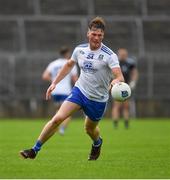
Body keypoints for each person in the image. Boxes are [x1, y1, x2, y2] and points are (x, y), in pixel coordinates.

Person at [20, 17, 124, 161]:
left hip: (98, 99)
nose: (96, 38)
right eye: (94, 34)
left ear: (103, 36)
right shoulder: (79, 50)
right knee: (58, 119)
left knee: (89, 129)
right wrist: (54, 83)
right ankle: (34, 150)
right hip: (79, 91)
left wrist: (114, 82)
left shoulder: (109, 55)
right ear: (88, 34)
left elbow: (120, 77)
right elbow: (69, 65)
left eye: (100, 35)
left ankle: (97, 143)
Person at [42, 46, 78, 135]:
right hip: (65, 91)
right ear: (67, 53)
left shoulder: (53, 64)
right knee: (67, 113)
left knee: (59, 111)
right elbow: (75, 79)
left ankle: (52, 127)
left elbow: (45, 75)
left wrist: (54, 81)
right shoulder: (70, 63)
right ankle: (61, 129)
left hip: (55, 91)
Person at [112, 48, 138, 129]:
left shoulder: (129, 63)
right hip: (117, 87)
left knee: (126, 106)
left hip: (126, 87)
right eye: (121, 54)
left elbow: (134, 73)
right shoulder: (115, 63)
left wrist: (133, 82)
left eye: (124, 55)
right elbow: (111, 73)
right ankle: (115, 123)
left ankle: (126, 123)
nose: (123, 56)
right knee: (117, 105)